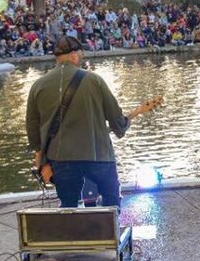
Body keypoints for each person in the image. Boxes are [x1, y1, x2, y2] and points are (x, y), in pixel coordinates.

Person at [25, 35, 131, 208]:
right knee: (111, 200)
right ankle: (110, 231)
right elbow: (116, 119)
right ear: (74, 55)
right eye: (81, 55)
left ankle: (72, 232)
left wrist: (41, 155)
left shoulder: (38, 85)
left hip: (61, 159)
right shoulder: (94, 80)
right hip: (98, 156)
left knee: (68, 205)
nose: (81, 59)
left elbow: (32, 129)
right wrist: (123, 126)